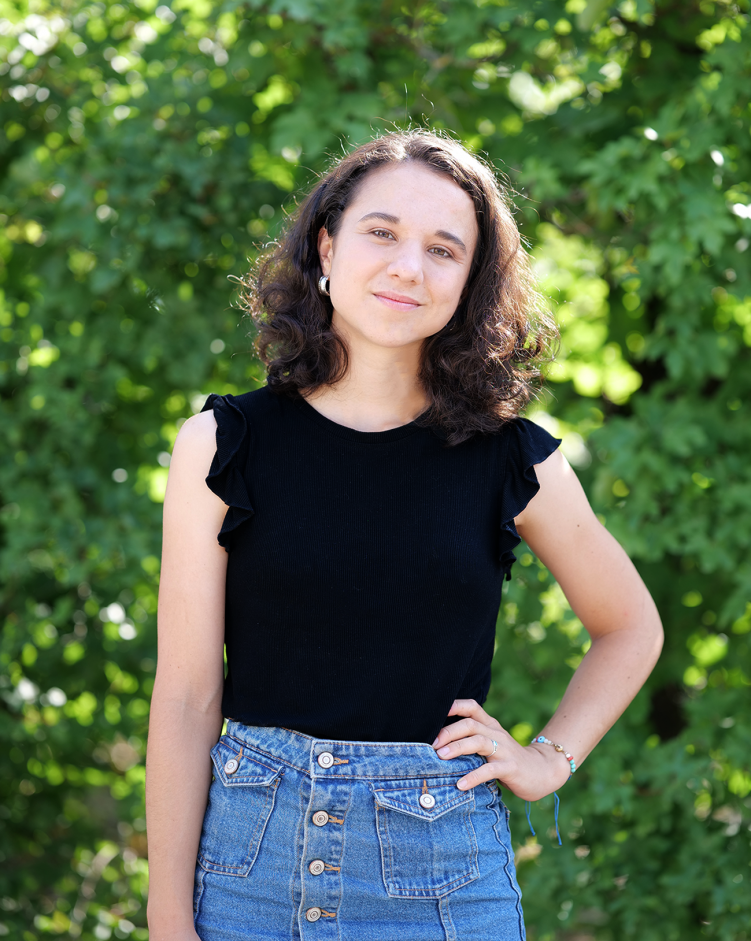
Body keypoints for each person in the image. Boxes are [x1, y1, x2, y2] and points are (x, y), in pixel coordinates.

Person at [145, 130, 663, 941]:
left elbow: (629, 627)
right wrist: (167, 917)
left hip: (441, 877)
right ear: (327, 246)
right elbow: (185, 701)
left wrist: (546, 760)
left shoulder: (511, 458)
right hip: (246, 875)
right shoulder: (221, 445)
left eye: (443, 250)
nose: (407, 267)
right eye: (381, 233)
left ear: (470, 282)